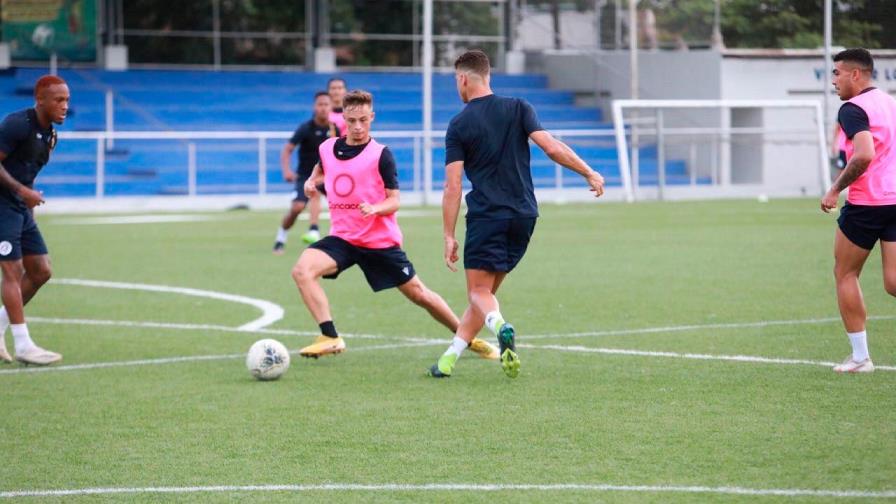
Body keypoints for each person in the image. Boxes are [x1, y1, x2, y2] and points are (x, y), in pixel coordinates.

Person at [428, 49, 605, 379]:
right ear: (489, 76)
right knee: (485, 295)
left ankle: (501, 327)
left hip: (487, 216)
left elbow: (452, 186)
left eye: (456, 80)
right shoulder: (519, 107)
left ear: (463, 79)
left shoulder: (459, 123)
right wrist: (589, 172)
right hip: (524, 216)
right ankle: (448, 359)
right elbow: (552, 147)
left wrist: (448, 234)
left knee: (478, 293)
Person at [291, 89, 498, 360]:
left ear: (372, 117)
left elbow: (395, 200)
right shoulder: (328, 148)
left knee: (420, 295)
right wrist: (310, 181)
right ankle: (330, 336)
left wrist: (376, 208)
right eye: (352, 120)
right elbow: (321, 168)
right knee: (302, 271)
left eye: (363, 120)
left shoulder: (381, 155)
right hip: (342, 238)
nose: (357, 126)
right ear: (343, 117)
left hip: (379, 242)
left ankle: (466, 338)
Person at [821, 48, 896, 374]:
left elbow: (863, 154)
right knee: (893, 282)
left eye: (837, 73)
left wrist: (835, 188)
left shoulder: (852, 109)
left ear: (856, 74)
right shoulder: (889, 102)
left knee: (845, 273)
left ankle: (860, 357)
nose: (833, 80)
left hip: (869, 203)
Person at [0, 75, 70, 366]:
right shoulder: (17, 124)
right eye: (58, 100)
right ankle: (24, 344)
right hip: (1, 203)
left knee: (41, 270)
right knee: (12, 271)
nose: (64, 106)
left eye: (66, 100)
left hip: (20, 208)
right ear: (40, 99)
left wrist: (28, 206)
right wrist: (21, 191)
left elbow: (28, 174)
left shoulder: (51, 137)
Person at [273, 91, 336, 253]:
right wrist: (287, 171)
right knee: (297, 208)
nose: (323, 108)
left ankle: (318, 232)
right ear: (314, 107)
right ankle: (281, 237)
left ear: (331, 107)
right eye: (320, 104)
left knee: (347, 205)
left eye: (326, 104)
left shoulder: (335, 129)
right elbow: (287, 149)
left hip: (327, 176)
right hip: (305, 176)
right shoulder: (306, 128)